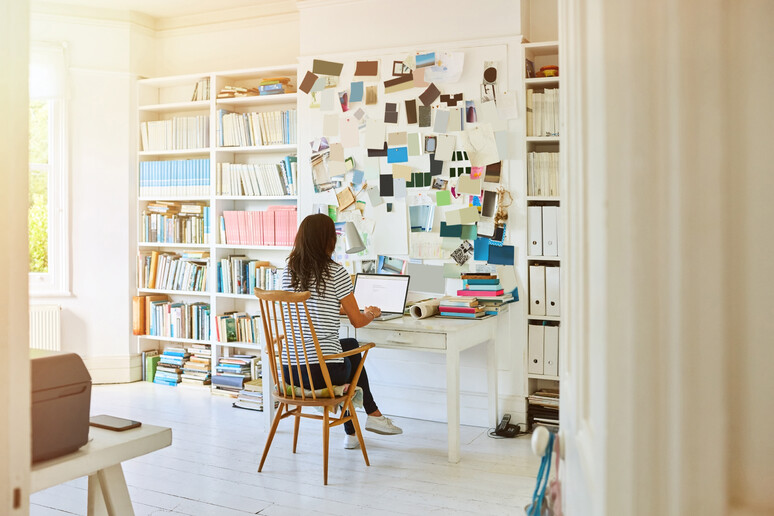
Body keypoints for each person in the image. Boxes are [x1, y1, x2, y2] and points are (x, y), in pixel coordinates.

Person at [281, 213, 402, 449]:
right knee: (353, 348)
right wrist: (371, 314)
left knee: (347, 346)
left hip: (290, 372)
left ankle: (355, 431)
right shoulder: (336, 273)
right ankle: (372, 415)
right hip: (320, 375)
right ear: (328, 240)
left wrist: (332, 309)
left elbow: (307, 308)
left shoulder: (288, 272)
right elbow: (357, 321)